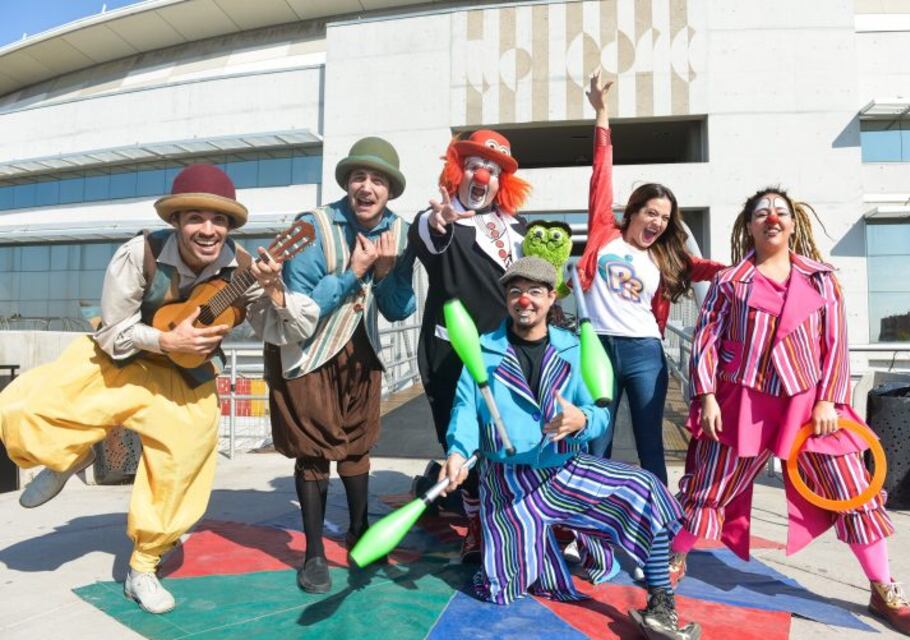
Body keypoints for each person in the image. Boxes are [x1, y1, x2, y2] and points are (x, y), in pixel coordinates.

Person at [0, 163, 307, 614]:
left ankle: (143, 567)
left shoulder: (246, 270)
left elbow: (285, 330)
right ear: (176, 221)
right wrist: (165, 339)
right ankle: (68, 457)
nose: (208, 230)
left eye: (219, 220)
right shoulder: (138, 254)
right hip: (123, 357)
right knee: (22, 406)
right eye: (196, 218)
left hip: (186, 377)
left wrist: (275, 291)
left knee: (183, 468)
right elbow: (110, 333)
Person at [671, 188, 910, 637]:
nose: (771, 218)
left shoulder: (822, 279)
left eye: (780, 212)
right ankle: (674, 558)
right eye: (761, 213)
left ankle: (884, 587)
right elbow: (705, 341)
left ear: (793, 223)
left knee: (853, 488)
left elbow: (835, 343)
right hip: (743, 400)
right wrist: (708, 396)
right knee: (710, 487)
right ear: (749, 225)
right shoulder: (728, 281)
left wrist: (830, 399)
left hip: (812, 405)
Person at [441, 256, 701, 640]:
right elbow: (465, 411)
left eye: (533, 292)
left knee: (643, 488)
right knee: (502, 590)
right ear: (506, 300)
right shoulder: (481, 350)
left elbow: (599, 414)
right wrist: (458, 454)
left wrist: (581, 420)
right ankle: (528, 546)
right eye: (515, 292)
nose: (524, 300)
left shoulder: (574, 349)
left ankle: (661, 602)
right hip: (507, 482)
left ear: (550, 298)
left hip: (564, 469)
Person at [264, 137, 416, 593]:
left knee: (357, 444)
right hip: (307, 351)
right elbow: (302, 307)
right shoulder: (312, 227)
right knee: (313, 450)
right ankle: (313, 552)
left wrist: (385, 272)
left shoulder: (399, 232)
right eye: (359, 177)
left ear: (390, 190)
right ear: (347, 184)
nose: (367, 187)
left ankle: (359, 531)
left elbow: (399, 309)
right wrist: (353, 272)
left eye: (378, 180)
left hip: (360, 349)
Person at [578, 69, 724, 485]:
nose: (658, 222)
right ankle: (594, 527)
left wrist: (763, 265)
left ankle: (658, 526)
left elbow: (712, 270)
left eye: (665, 217)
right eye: (651, 213)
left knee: (649, 443)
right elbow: (600, 171)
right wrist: (602, 112)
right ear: (634, 212)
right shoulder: (605, 234)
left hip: (645, 353)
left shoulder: (665, 257)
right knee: (596, 440)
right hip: (599, 348)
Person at [409, 129, 531, 562]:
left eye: (494, 171)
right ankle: (477, 528)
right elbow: (429, 235)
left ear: (503, 183)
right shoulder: (440, 217)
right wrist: (438, 221)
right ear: (459, 172)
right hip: (451, 353)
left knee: (501, 439)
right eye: (476, 166)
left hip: (506, 353)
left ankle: (493, 515)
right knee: (461, 440)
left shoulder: (520, 231)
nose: (483, 176)